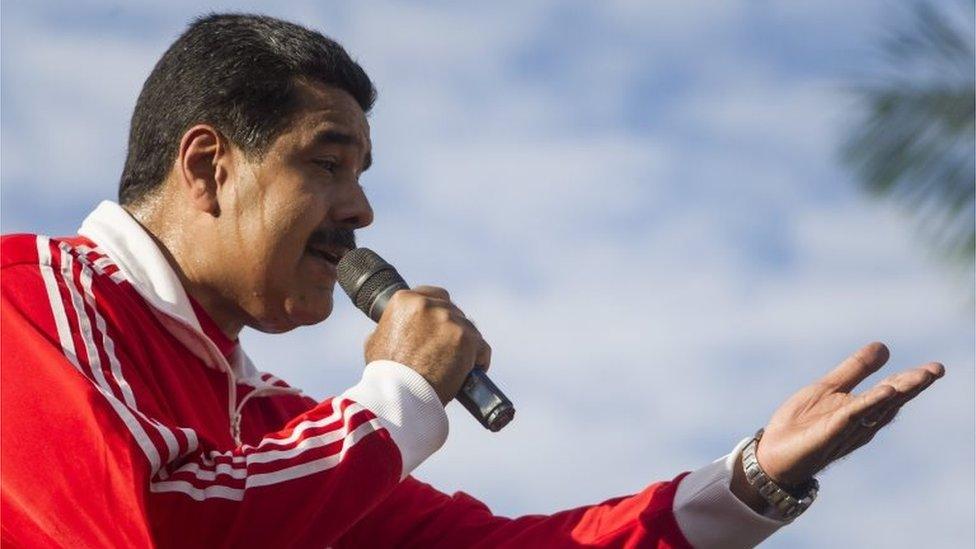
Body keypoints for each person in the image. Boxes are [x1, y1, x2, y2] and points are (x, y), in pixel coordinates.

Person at [0, 13, 944, 549]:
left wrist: (748, 481)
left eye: (365, 173)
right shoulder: (25, 298)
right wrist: (396, 394)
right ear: (207, 167)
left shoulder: (277, 430)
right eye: (326, 163)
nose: (361, 211)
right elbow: (150, 531)